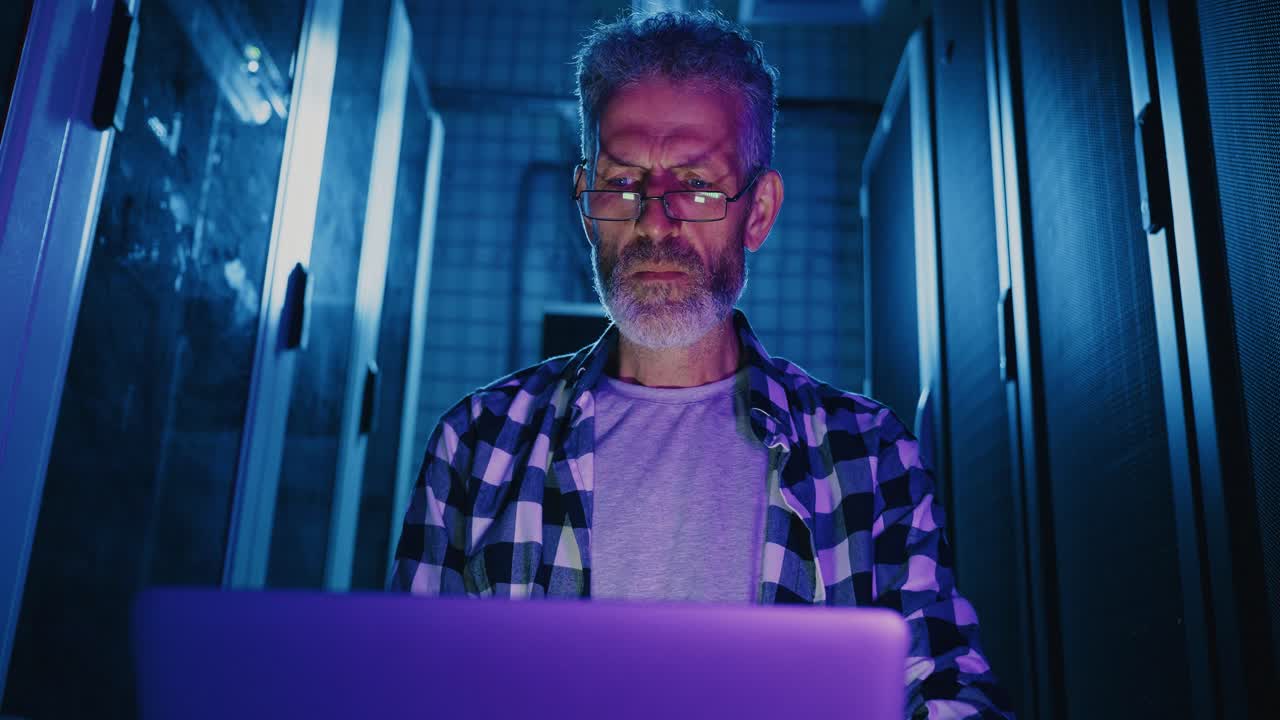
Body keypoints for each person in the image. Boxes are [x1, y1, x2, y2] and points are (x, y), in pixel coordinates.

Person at [390, 10, 1013, 719]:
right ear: (587, 203)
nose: (655, 222)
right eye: (622, 184)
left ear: (758, 212)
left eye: (696, 186)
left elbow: (946, 692)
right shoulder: (477, 444)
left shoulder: (867, 455)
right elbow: (411, 693)